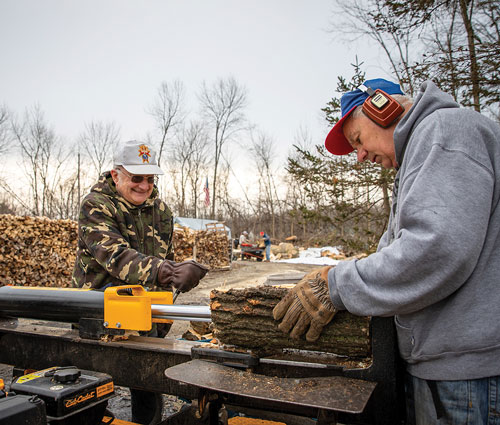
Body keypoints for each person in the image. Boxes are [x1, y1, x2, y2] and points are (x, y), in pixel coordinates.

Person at [273, 78, 500, 424]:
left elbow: (434, 251)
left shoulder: (445, 132)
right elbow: (394, 251)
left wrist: (335, 286)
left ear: (383, 107)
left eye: (357, 140)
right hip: (449, 365)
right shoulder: (424, 153)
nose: (360, 156)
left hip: (467, 375)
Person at [72, 140, 208, 425]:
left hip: (147, 315)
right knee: (92, 393)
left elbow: (165, 256)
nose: (144, 186)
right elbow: (116, 257)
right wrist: (170, 272)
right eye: (136, 178)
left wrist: (181, 277)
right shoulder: (96, 205)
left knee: (147, 387)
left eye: (149, 178)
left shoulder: (160, 210)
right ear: (115, 175)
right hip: (101, 313)